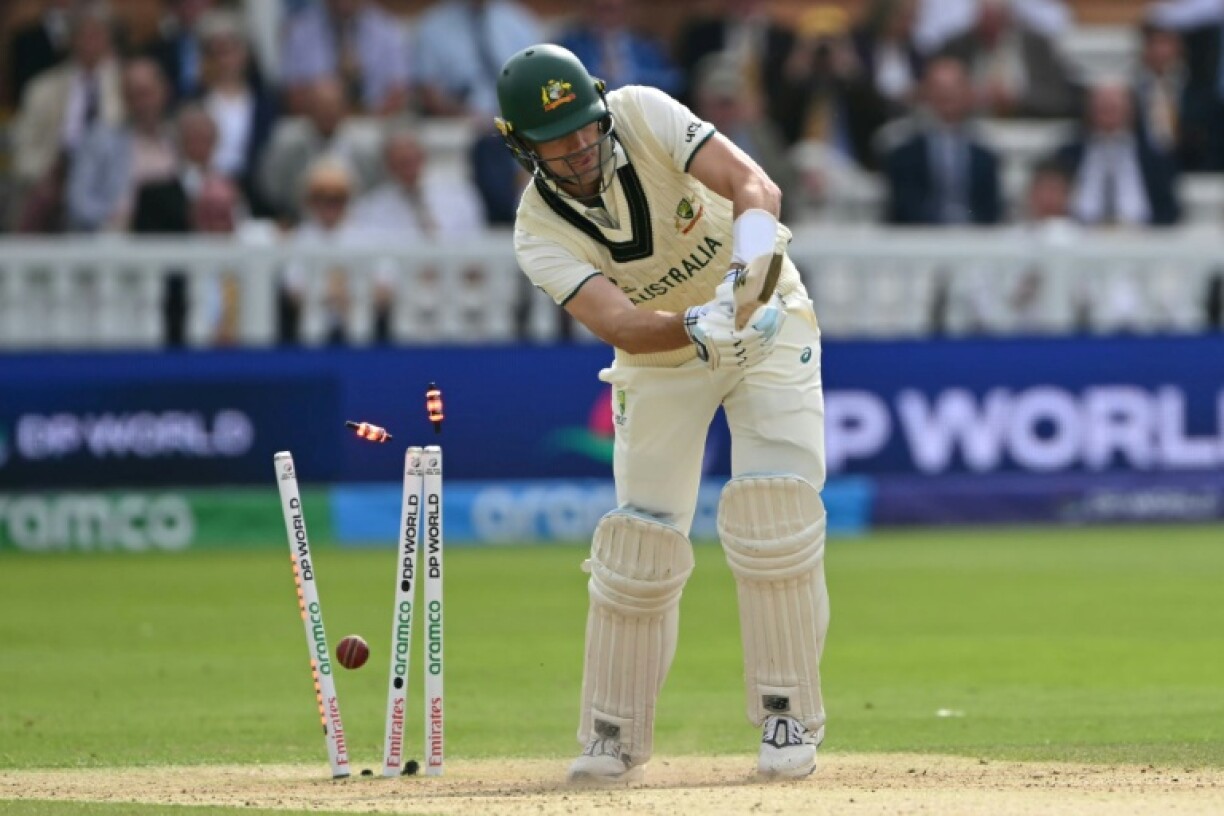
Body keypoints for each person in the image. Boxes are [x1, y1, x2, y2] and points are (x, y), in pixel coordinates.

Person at [493, 44, 828, 782]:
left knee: (775, 512)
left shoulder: (642, 113)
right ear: (522, 146)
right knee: (639, 542)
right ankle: (611, 734)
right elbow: (617, 321)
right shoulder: (537, 233)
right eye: (558, 141)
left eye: (585, 128)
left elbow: (752, 184)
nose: (579, 148)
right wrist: (696, 325)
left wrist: (747, 279)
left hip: (769, 320)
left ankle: (787, 716)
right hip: (665, 352)